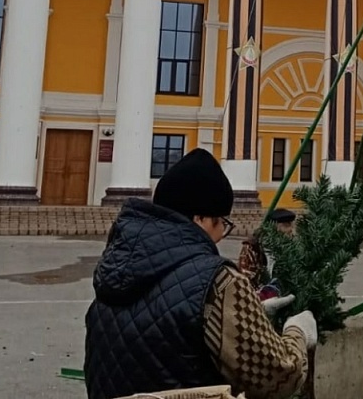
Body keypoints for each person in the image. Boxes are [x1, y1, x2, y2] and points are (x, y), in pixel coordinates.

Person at [84, 148, 317, 399]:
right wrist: (297, 332)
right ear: (201, 219)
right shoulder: (219, 281)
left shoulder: (115, 265)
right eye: (222, 223)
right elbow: (279, 378)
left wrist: (253, 315)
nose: (219, 236)